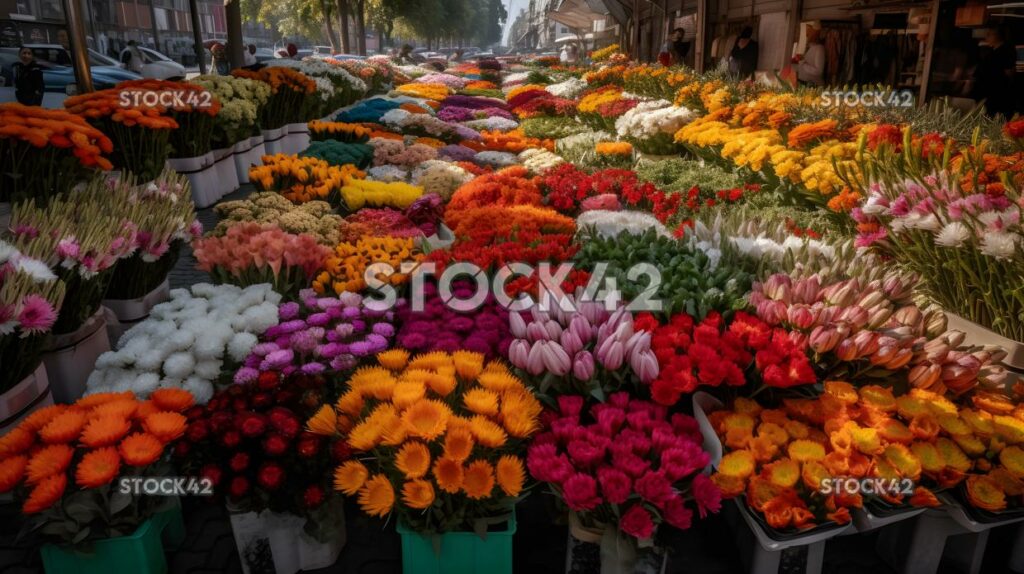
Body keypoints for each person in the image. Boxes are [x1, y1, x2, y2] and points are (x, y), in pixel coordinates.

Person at [973, 28, 1016, 118]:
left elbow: (1009, 73)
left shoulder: (1006, 51)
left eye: (989, 34)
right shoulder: (992, 51)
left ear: (997, 36)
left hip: (996, 94)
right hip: (987, 93)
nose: (986, 37)